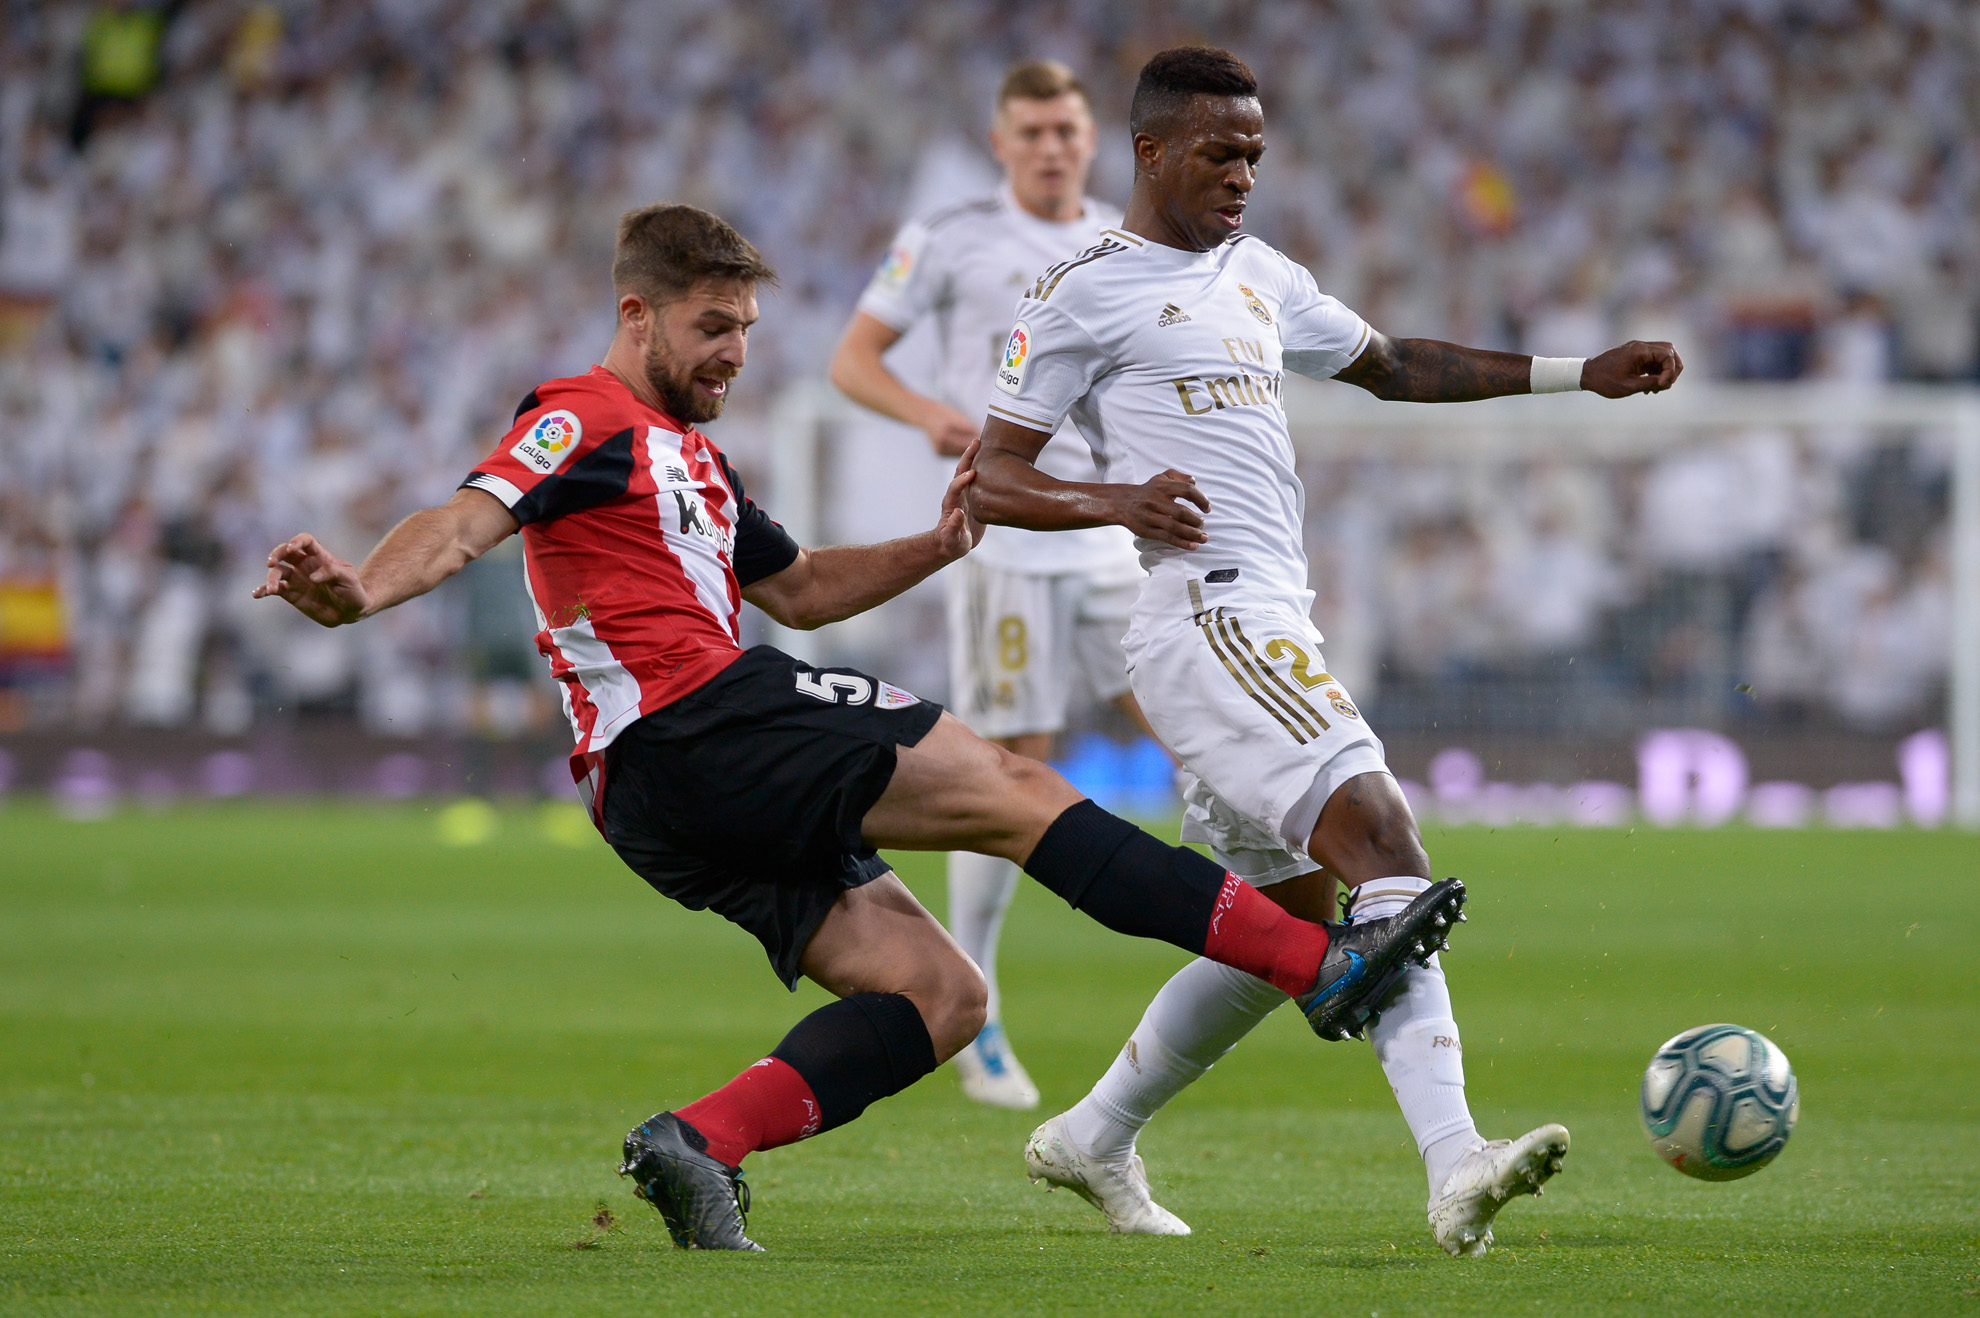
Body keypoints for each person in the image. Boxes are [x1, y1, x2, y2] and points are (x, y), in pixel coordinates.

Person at [253, 202, 1469, 1252]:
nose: (732, 353)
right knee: (1008, 783)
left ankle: (696, 1142)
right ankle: (1327, 967)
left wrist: (936, 548)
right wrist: (361, 588)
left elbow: (805, 591)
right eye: (710, 329)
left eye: (744, 330)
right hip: (692, 720)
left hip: (657, 796)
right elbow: (467, 519)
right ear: (638, 316)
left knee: (942, 993)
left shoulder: (699, 465)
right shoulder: (579, 417)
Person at [968, 47, 1682, 1254]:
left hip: (1266, 616)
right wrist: (1117, 499)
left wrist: (1578, 376)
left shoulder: (1260, 275)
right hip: (1209, 617)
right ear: (1149, 153)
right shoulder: (1081, 290)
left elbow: (1394, 365)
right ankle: (1458, 1161)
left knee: (1279, 936)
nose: (1244, 173)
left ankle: (1091, 1134)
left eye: (1254, 152)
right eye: (1219, 151)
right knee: (1387, 847)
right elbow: (990, 474)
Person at [830, 60, 1152, 1110]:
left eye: (1067, 128)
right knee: (1016, 762)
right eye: (1033, 131)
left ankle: (1258, 922)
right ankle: (978, 1004)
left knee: (1178, 700)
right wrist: (925, 412)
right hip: (1004, 534)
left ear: (1093, 137)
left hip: (1105, 526)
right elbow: (854, 359)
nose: (1052, 146)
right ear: (1000, 140)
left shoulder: (1127, 236)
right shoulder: (951, 234)